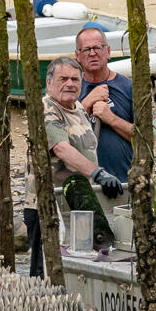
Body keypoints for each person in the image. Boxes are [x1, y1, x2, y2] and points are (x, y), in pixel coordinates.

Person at [24, 56, 124, 276]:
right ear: (49, 83)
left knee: (78, 264)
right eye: (63, 79)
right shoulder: (46, 109)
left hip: (75, 203)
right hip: (49, 206)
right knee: (47, 273)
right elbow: (61, 148)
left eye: (75, 79)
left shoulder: (77, 106)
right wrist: (98, 173)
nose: (70, 83)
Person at [74, 24, 134, 186]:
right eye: (86, 49)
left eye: (97, 48)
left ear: (108, 52)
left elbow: (147, 140)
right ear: (77, 55)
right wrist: (86, 104)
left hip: (125, 182)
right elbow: (60, 138)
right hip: (84, 185)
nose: (92, 53)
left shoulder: (129, 87)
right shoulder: (70, 90)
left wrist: (111, 118)